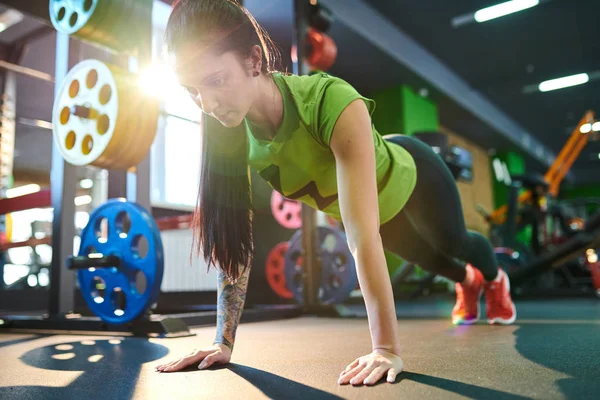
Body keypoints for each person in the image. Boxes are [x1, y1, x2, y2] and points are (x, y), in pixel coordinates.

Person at [155, 0, 517, 386]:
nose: (206, 104)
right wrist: (222, 343)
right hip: (383, 215)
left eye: (215, 81)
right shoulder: (233, 140)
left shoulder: (329, 101)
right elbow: (235, 246)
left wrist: (386, 349)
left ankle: (495, 281)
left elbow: (361, 238)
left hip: (415, 177)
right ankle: (470, 281)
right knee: (440, 264)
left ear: (253, 60)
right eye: (192, 90)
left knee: (457, 242)